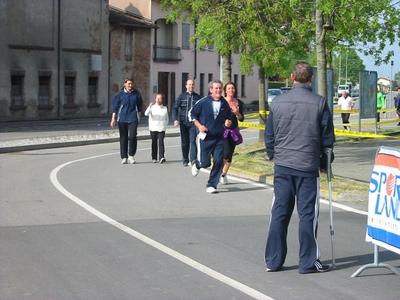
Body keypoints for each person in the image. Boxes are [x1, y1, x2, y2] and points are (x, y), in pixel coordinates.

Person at [264, 62, 335, 274]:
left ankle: (273, 260)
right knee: (307, 215)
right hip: (307, 166)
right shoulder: (319, 102)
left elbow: (269, 135)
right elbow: (327, 139)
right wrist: (324, 163)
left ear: (292, 77)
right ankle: (307, 262)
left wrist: (273, 155)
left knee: (279, 213)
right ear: (311, 79)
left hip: (284, 166)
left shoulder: (277, 102)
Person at [189, 79, 232, 194]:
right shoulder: (203, 102)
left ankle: (211, 185)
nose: (218, 90)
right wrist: (199, 126)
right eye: (216, 88)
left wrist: (228, 123)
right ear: (211, 90)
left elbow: (229, 118)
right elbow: (191, 114)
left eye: (220, 88)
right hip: (205, 137)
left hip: (219, 137)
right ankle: (197, 164)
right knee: (205, 163)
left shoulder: (224, 103)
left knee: (218, 161)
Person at [110, 78, 143, 164]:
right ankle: (124, 156)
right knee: (123, 137)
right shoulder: (120, 94)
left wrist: (138, 117)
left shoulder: (136, 94)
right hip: (122, 118)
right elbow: (115, 107)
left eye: (131, 84)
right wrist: (113, 119)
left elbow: (140, 106)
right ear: (125, 84)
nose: (130, 85)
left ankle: (131, 155)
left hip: (133, 118)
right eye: (128, 84)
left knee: (132, 136)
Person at [220, 81, 245, 185]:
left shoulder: (239, 103)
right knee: (226, 153)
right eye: (229, 88)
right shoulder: (221, 102)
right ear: (225, 90)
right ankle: (218, 170)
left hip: (234, 131)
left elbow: (241, 119)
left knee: (230, 155)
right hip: (223, 131)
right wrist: (224, 122)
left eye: (233, 88)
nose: (231, 90)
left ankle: (223, 175)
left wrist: (237, 113)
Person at [172, 79, 201, 166]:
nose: (191, 86)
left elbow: (201, 110)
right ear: (186, 86)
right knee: (185, 142)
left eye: (192, 84)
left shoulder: (197, 98)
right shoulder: (181, 97)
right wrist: (175, 119)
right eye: (189, 84)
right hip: (183, 123)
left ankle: (193, 159)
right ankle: (185, 159)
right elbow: (175, 108)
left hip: (193, 123)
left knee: (192, 141)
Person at [144, 93, 169, 163]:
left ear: (162, 100)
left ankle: (161, 157)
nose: (158, 100)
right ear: (155, 99)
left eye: (160, 98)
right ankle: (154, 157)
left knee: (161, 142)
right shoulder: (152, 107)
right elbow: (146, 113)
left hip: (162, 128)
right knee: (154, 142)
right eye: (157, 98)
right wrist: (149, 106)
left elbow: (167, 118)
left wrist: (165, 124)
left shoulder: (165, 108)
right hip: (153, 127)